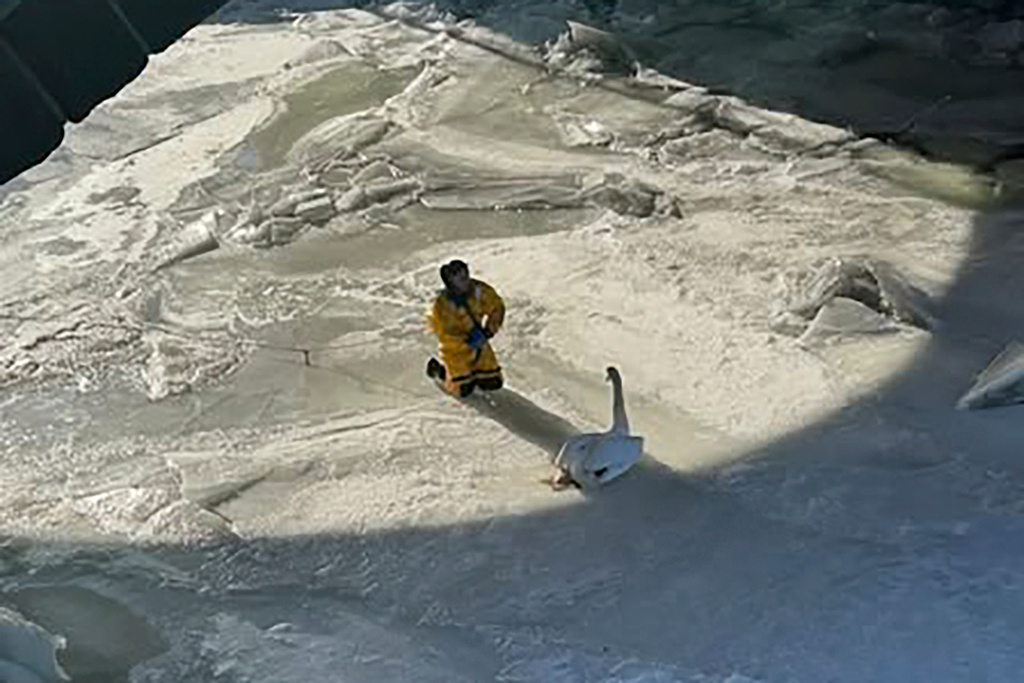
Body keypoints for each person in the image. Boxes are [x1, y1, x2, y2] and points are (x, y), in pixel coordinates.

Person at [426, 259, 505, 398]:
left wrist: (488, 331)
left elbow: (497, 307)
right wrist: (466, 340)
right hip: (456, 350)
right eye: (460, 278)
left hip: (479, 344)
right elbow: (444, 332)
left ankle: (476, 375)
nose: (466, 280)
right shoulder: (441, 305)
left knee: (493, 383)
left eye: (466, 275)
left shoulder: (478, 290)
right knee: (463, 390)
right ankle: (440, 372)